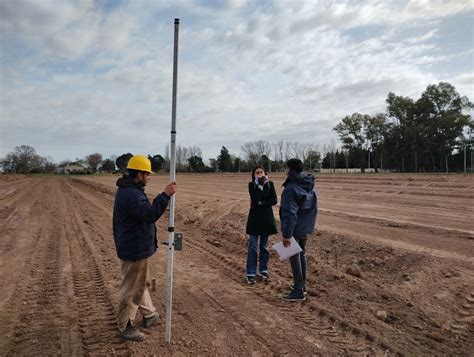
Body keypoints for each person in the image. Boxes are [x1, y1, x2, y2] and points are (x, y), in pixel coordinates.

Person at [112, 155, 177, 342]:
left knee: (141, 282)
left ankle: (149, 315)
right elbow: (149, 214)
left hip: (134, 245)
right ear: (139, 174)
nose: (149, 177)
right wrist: (165, 195)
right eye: (147, 174)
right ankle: (125, 326)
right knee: (132, 287)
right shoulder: (130, 194)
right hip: (134, 247)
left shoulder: (130, 190)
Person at [279, 158, 317, 302]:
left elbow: (290, 213)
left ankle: (298, 290)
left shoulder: (291, 188)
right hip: (306, 227)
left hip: (295, 228)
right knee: (301, 255)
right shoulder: (309, 184)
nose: (285, 171)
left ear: (291, 169)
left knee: (295, 257)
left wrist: (287, 234)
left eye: (286, 168)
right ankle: (302, 286)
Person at [245, 165, 278, 285]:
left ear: (265, 173)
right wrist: (260, 186)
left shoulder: (270, 184)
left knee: (264, 247)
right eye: (257, 173)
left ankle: (263, 270)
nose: (260, 174)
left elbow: (274, 200)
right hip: (254, 220)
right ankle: (250, 273)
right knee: (253, 247)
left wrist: (261, 203)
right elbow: (254, 198)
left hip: (266, 219)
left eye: (261, 172)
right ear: (254, 175)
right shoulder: (251, 185)